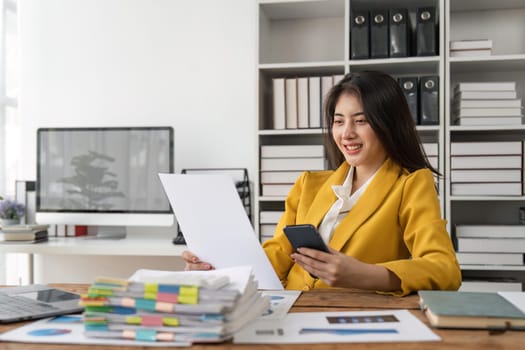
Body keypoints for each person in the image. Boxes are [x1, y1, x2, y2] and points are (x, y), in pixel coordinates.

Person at [183, 70, 461, 296]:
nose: (346, 133)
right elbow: (279, 251)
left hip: (354, 320)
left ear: (389, 124)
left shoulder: (411, 184)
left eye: (361, 121)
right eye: (339, 121)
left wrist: (364, 274)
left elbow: (444, 269)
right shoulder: (309, 184)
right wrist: (221, 270)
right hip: (289, 311)